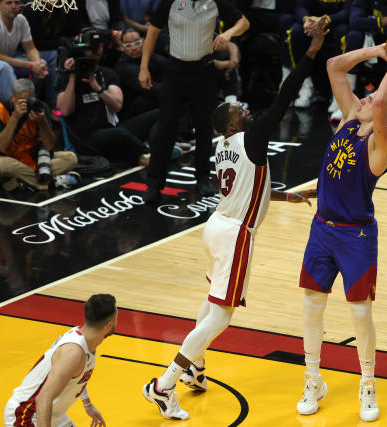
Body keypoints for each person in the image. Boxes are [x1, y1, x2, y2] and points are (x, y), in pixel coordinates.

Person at [140, 18, 329, 423]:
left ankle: (195, 367)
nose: (246, 110)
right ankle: (164, 383)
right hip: (234, 234)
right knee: (222, 315)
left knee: (210, 304)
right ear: (230, 123)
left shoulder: (223, 146)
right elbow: (285, 95)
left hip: (216, 226)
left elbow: (242, 188)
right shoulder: (253, 136)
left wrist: (284, 195)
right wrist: (310, 54)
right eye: (239, 110)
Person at [296, 36, 387, 422]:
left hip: (357, 237)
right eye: (363, 98)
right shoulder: (351, 118)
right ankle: (312, 378)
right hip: (322, 229)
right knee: (311, 306)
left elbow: (383, 102)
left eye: (369, 100)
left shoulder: (383, 143)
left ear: (384, 115)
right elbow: (334, 65)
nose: (363, 100)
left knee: (359, 314)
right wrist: (379, 50)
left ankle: (368, 383)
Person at [139, 0, 250, 202]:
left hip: (204, 71)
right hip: (175, 71)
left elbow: (244, 23)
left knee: (204, 126)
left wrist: (227, 33)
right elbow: (153, 32)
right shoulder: (170, 2)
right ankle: (155, 183)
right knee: (166, 128)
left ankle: (202, 178)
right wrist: (143, 67)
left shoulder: (215, 2)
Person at [3, 293, 117, 427]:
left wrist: (88, 404)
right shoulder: (73, 353)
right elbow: (43, 399)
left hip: (52, 413)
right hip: (27, 414)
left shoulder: (87, 341)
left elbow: (76, 376)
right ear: (109, 325)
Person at [56, 28, 152, 169]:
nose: (91, 53)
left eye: (94, 49)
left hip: (111, 128)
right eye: (88, 50)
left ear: (101, 49)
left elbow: (117, 106)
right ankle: (147, 154)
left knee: (157, 114)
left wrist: (98, 89)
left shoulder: (108, 74)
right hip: (86, 137)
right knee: (120, 134)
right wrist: (71, 77)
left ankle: (163, 144)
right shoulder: (67, 76)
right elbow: (64, 111)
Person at [0, 78, 78, 191]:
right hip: (10, 160)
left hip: (34, 159)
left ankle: (23, 181)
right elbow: (0, 147)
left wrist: (42, 121)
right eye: (22, 101)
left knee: (71, 158)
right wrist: (15, 117)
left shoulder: (40, 107)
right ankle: (48, 182)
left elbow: (49, 146)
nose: (27, 104)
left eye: (30, 99)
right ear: (12, 98)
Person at [0, 0, 50, 103]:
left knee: (42, 63)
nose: (14, 6)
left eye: (17, 2)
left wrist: (37, 63)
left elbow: (31, 49)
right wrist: (30, 65)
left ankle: (32, 103)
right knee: (3, 67)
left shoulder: (21, 20)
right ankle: (14, 107)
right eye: (9, 3)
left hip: (6, 62)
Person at [114, 27, 166, 118]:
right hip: (133, 114)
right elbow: (151, 88)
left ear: (143, 41)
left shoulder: (150, 56)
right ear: (121, 47)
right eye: (128, 45)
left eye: (137, 43)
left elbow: (170, 68)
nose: (134, 48)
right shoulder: (123, 67)